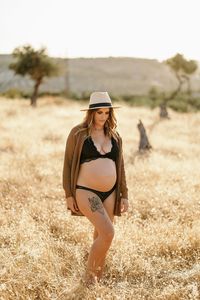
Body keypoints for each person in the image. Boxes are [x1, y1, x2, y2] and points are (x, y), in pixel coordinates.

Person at [62, 91, 129, 285]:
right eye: (100, 113)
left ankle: (97, 278)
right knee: (108, 233)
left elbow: (121, 166)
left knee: (101, 235)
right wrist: (68, 194)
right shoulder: (78, 133)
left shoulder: (115, 136)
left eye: (107, 113)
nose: (103, 117)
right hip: (86, 190)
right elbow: (67, 164)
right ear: (91, 113)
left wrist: (124, 194)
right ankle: (88, 281)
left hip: (111, 192)